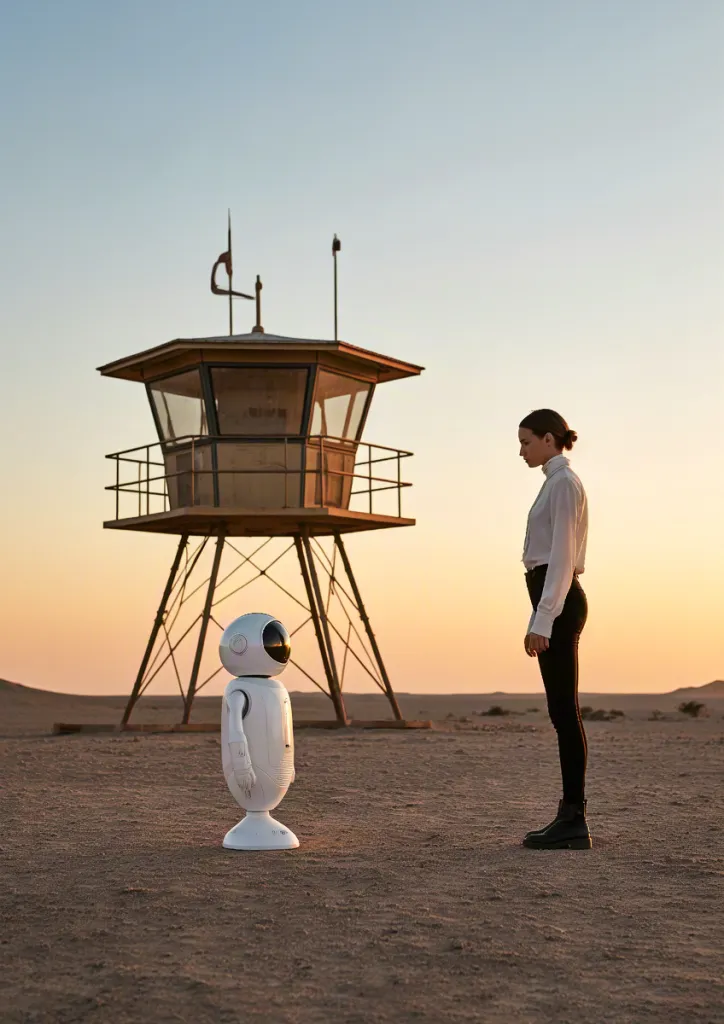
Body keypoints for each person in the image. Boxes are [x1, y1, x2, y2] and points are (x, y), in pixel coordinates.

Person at [518, 409, 591, 850]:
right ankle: (570, 817)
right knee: (562, 712)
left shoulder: (563, 483)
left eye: (526, 441)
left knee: (565, 713)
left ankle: (573, 819)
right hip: (553, 599)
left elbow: (561, 558)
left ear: (549, 439)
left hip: (558, 601)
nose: (521, 450)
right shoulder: (554, 482)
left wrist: (542, 618)